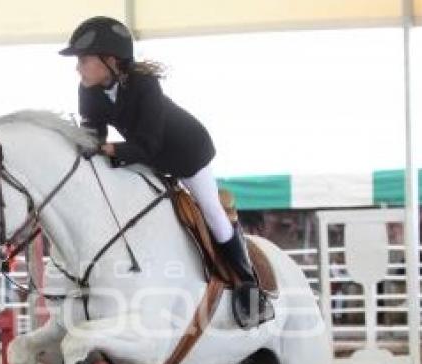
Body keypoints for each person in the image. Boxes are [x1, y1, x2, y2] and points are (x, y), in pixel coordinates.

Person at [59, 16, 273, 328]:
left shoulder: (145, 85)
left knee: (212, 211)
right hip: (144, 155)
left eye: (85, 59)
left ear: (111, 60)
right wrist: (84, 146)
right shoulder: (88, 90)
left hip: (186, 154)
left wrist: (110, 151)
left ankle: (248, 287)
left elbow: (148, 143)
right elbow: (94, 132)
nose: (78, 67)